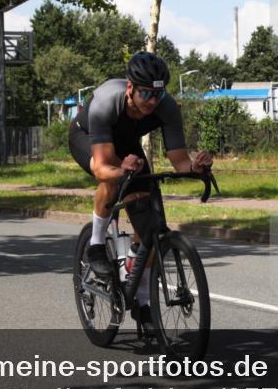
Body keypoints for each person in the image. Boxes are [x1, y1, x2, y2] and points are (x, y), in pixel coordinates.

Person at [68, 51, 213, 323]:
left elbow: (179, 160)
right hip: (88, 136)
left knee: (149, 225)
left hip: (126, 143)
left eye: (157, 95)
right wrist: (120, 171)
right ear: (130, 88)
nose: (152, 101)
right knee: (111, 179)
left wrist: (196, 167)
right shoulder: (107, 102)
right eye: (145, 94)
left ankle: (143, 301)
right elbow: (101, 165)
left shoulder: (166, 107)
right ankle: (97, 243)